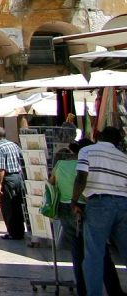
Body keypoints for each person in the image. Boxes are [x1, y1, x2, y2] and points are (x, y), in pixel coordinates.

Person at [52, 141, 123, 296]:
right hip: (86, 208)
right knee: (100, 253)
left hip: (69, 211)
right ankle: (114, 289)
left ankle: (83, 290)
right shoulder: (94, 164)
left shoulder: (61, 166)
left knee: (79, 254)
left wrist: (71, 201)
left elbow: (53, 185)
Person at [71, 126, 127, 296]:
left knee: (94, 255)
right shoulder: (124, 158)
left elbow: (81, 177)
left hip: (99, 204)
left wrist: (75, 200)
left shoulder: (87, 151)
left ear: (99, 137)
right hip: (123, 205)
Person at [0, 126, 26, 240]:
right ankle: (19, 231)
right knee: (17, 204)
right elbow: (22, 159)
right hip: (18, 177)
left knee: (8, 207)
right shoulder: (13, 145)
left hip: (8, 179)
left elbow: (0, 169)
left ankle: (12, 232)